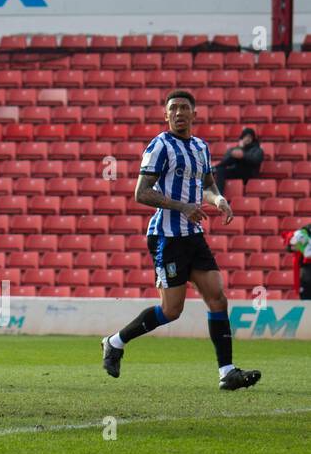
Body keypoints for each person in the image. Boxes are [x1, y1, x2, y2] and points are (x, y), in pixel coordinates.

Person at [101, 90, 260, 391]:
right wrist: (183, 206)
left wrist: (219, 199)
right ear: (166, 115)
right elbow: (141, 193)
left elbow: (208, 183)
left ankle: (227, 372)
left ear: (193, 114)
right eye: (173, 108)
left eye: (184, 108)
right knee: (172, 311)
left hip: (193, 236)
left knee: (217, 297)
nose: (178, 113)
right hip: (167, 236)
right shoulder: (160, 146)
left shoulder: (200, 147)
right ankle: (114, 342)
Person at [211, 127, 263, 196]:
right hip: (237, 171)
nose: (247, 139)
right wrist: (240, 148)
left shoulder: (257, 149)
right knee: (221, 170)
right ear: (242, 138)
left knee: (237, 156)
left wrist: (243, 154)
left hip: (249, 173)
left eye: (250, 137)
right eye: (245, 136)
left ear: (253, 139)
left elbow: (256, 160)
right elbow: (226, 159)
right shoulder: (237, 148)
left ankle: (215, 168)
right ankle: (219, 195)